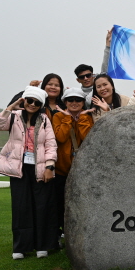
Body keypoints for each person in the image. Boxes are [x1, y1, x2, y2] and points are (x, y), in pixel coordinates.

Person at [0, 86, 58, 260]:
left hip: (39, 168)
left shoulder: (44, 120)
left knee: (41, 207)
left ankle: (42, 245)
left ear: (41, 105)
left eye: (37, 102)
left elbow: (51, 144)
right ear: (24, 100)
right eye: (30, 100)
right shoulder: (14, 117)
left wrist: (50, 167)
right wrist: (10, 108)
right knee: (21, 207)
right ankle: (21, 247)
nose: (33, 104)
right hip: (19, 168)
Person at [52, 88, 95, 241]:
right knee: (60, 202)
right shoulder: (58, 116)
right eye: (70, 100)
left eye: (78, 100)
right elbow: (60, 137)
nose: (74, 103)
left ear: (83, 102)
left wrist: (82, 119)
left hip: (81, 169)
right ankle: (61, 230)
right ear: (65, 102)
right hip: (62, 169)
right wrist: (67, 119)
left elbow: (87, 138)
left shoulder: (87, 117)